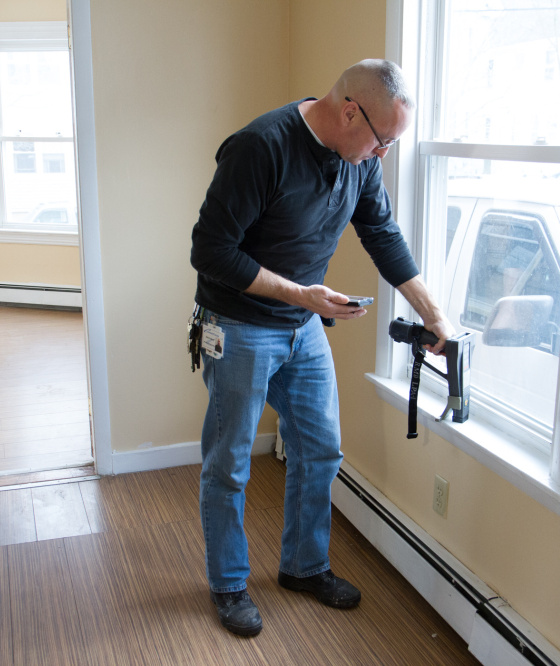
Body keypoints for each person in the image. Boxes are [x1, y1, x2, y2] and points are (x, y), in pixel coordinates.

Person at [190, 59, 453, 637]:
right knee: (230, 461)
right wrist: (301, 295)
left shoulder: (358, 162)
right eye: (384, 141)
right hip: (238, 324)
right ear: (349, 110)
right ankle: (229, 584)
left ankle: (303, 567)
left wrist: (434, 315)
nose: (383, 154)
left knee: (321, 447)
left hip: (302, 326)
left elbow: (381, 234)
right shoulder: (262, 148)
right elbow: (210, 251)